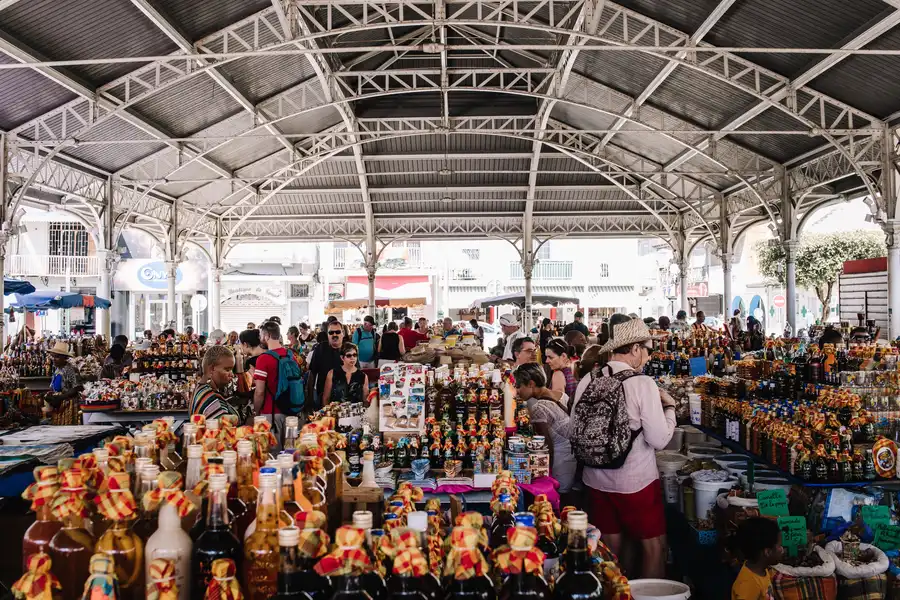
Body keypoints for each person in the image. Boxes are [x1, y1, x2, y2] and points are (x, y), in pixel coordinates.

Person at [579, 318, 675, 579]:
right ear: (634, 349)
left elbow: (572, 427)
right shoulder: (642, 383)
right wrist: (670, 408)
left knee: (610, 549)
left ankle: (614, 592)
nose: (647, 355)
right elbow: (659, 440)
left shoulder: (589, 378)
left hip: (595, 478)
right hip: (635, 481)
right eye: (648, 349)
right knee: (653, 547)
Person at [513, 362, 577, 505]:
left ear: (530, 384)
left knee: (559, 503)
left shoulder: (539, 408)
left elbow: (545, 445)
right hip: (571, 457)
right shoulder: (561, 395)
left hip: (559, 464)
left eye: (518, 386)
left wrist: (545, 475)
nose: (517, 391)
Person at [252, 321, 288, 441]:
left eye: (261, 335)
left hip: (271, 412)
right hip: (291, 410)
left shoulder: (264, 359)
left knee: (273, 454)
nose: (260, 338)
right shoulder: (290, 355)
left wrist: (256, 411)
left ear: (267, 336)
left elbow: (259, 392)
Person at [732, 517, 782, 600]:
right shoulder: (748, 584)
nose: (782, 550)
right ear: (767, 552)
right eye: (780, 546)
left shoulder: (761, 569)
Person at [190, 345, 239, 420]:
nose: (232, 374)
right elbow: (224, 430)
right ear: (211, 369)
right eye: (227, 369)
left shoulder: (199, 388)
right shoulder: (213, 400)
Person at [308, 320, 345, 410]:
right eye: (331, 332)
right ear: (327, 334)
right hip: (322, 396)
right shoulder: (320, 349)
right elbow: (312, 374)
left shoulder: (349, 349)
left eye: (337, 332)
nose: (334, 335)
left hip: (344, 397)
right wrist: (309, 400)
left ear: (343, 333)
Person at [44, 342, 83, 411]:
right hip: (59, 406)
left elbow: (78, 387)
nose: (54, 359)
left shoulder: (71, 369)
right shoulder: (58, 369)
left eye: (57, 357)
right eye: (53, 356)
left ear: (65, 358)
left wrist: (61, 397)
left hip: (68, 407)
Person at [545, 338, 578, 404]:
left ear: (563, 356)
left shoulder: (558, 374)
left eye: (550, 357)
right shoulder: (575, 367)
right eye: (546, 357)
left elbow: (558, 403)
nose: (547, 361)